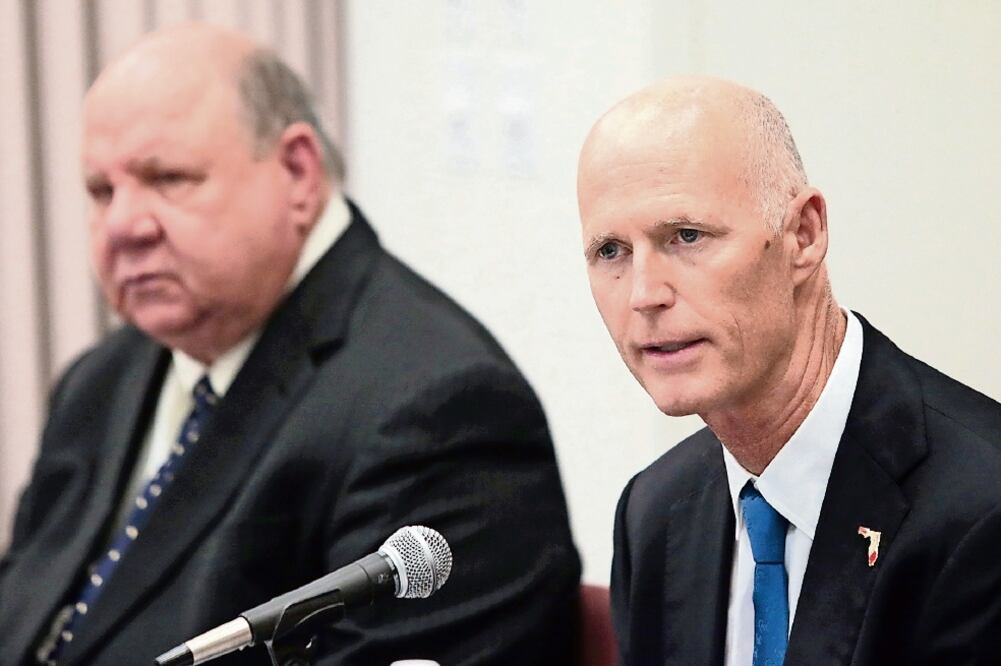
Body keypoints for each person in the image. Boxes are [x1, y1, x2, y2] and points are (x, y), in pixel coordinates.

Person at [0, 23, 580, 666]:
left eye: (167, 178)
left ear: (298, 174)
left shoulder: (442, 410)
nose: (122, 226)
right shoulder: (100, 382)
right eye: (101, 192)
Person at [576, 77, 1001, 665]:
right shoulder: (655, 513)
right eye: (611, 252)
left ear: (804, 234)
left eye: (687, 236)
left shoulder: (982, 509)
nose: (645, 295)